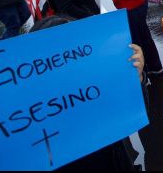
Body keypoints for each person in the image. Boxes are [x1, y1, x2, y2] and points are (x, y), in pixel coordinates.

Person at [30, 14, 145, 170]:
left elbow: (135, 114)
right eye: (60, 59)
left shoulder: (97, 86)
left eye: (74, 53)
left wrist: (136, 80)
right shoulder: (37, 114)